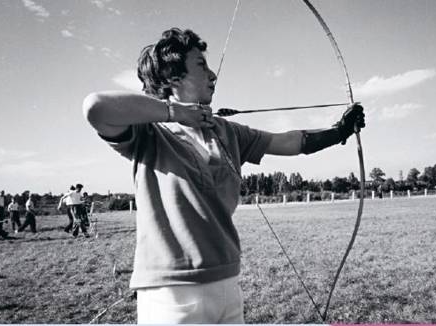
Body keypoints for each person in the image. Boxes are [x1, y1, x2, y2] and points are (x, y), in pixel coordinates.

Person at [83, 28, 365, 324]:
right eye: (201, 66)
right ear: (172, 77)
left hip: (227, 282)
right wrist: (175, 113)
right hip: (171, 291)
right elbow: (95, 107)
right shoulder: (149, 132)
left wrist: (340, 131)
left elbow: (288, 142)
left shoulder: (226, 131)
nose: (213, 75)